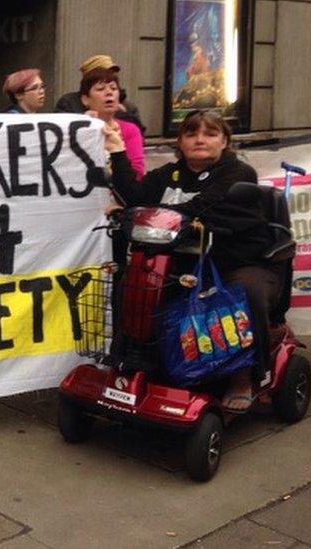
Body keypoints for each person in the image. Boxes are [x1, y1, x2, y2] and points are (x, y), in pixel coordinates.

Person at [106, 110, 277, 413]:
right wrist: (118, 152)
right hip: (182, 263)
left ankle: (244, 376)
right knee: (132, 285)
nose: (200, 140)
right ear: (180, 141)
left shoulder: (238, 173)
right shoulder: (168, 175)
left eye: (210, 134)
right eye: (191, 134)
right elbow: (134, 196)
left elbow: (202, 206)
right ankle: (130, 363)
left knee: (243, 294)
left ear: (224, 141)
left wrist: (148, 211)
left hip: (235, 262)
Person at [56, 54, 146, 134]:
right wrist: (83, 118)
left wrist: (124, 115)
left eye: (112, 73)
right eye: (100, 88)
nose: (108, 92)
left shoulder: (128, 106)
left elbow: (139, 135)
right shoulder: (68, 102)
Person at [82, 67, 145, 180]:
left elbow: (137, 174)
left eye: (113, 88)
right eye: (100, 89)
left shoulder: (131, 129)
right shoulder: (77, 128)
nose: (109, 92)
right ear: (85, 99)